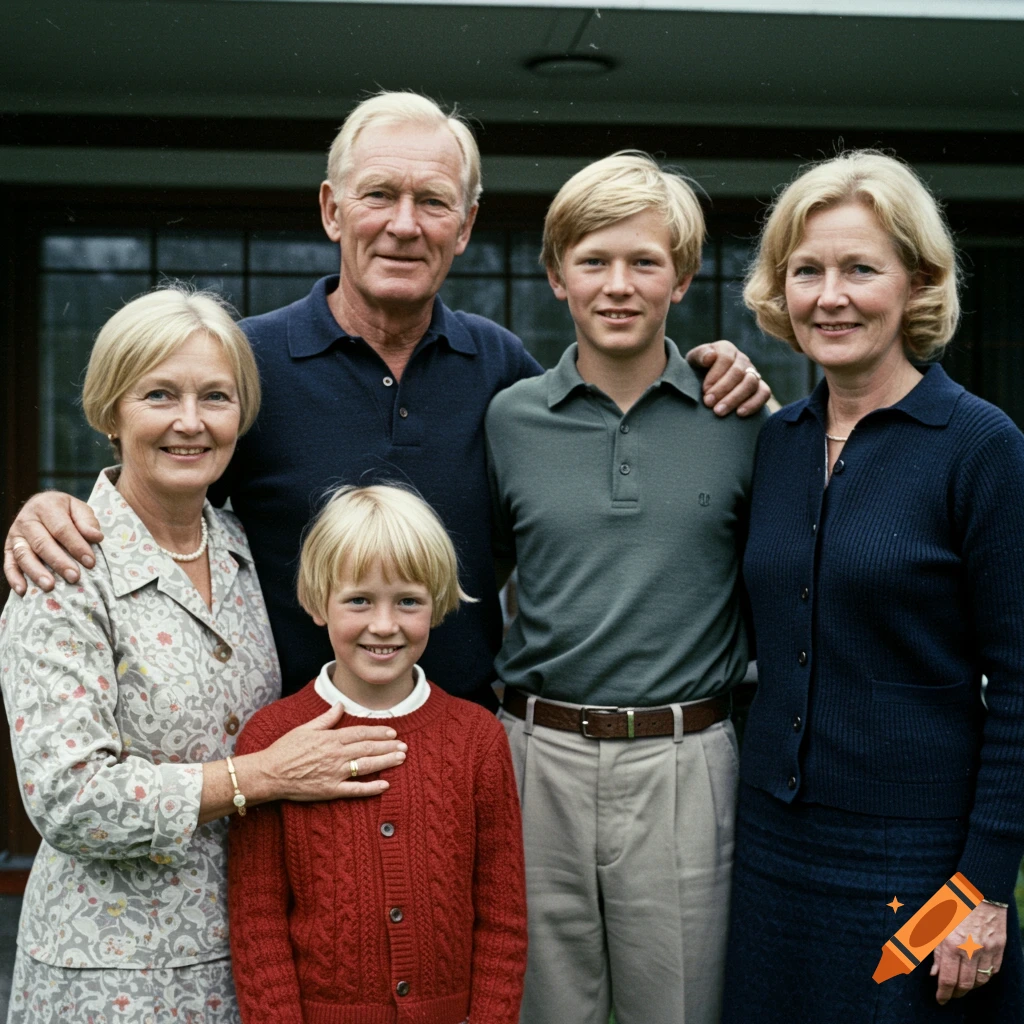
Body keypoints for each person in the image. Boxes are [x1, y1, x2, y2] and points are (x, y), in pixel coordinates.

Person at [3, 92, 771, 708]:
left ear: (465, 226)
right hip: (291, 749)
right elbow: (166, 476)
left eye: (433, 202)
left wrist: (708, 365)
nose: (404, 225)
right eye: (379, 195)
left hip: (465, 746)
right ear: (333, 210)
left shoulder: (501, 366)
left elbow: (604, 429)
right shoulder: (249, 362)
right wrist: (62, 508)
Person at [0, 288, 407, 1024]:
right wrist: (260, 777)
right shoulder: (63, 573)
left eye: (214, 397)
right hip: (112, 977)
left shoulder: (238, 547)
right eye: (159, 394)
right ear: (110, 411)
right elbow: (69, 798)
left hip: (248, 964)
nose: (190, 422)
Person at [722, 151, 1024, 1023]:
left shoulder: (979, 445)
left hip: (919, 860)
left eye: (860, 269)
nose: (830, 296)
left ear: (917, 282)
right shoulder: (774, 442)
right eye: (807, 271)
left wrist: (984, 888)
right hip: (775, 848)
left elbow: (1018, 680)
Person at [485, 152, 765, 1024]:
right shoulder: (509, 418)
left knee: (680, 1007)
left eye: (645, 262)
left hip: (686, 760)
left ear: (682, 279)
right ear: (556, 274)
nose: (618, 285)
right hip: (536, 755)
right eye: (594, 261)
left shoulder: (748, 420)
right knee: (538, 1007)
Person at [228, 484, 527, 1024]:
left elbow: (502, 915)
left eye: (408, 600)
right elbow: (258, 922)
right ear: (319, 603)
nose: (384, 625)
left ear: (436, 605)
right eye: (359, 600)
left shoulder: (478, 738)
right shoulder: (271, 737)